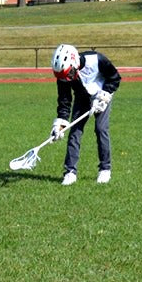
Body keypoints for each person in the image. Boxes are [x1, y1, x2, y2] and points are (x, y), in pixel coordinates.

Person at [50, 44, 122, 186]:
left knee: (101, 129)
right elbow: (64, 100)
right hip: (82, 98)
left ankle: (105, 169)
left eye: (69, 75)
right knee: (74, 132)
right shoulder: (63, 75)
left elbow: (115, 78)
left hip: (102, 97)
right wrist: (60, 123)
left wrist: (105, 94)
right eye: (63, 77)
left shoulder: (97, 59)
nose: (67, 80)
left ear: (75, 63)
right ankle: (70, 172)